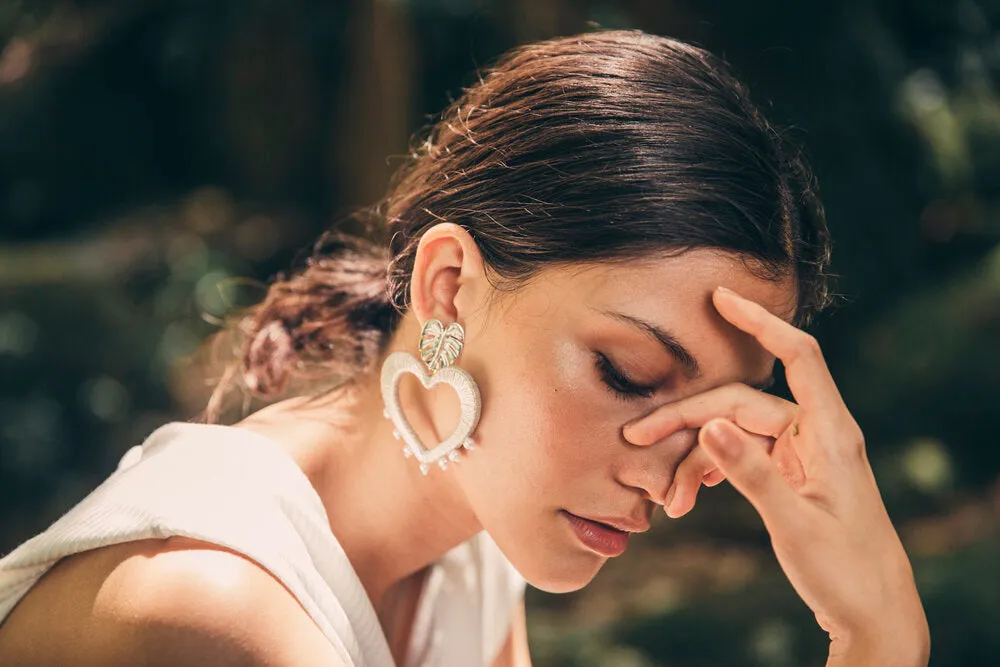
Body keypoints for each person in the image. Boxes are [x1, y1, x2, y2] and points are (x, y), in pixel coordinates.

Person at [0, 29, 929, 667]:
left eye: (712, 422)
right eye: (631, 374)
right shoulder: (211, 604)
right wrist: (874, 632)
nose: (669, 484)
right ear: (450, 285)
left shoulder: (466, 548)